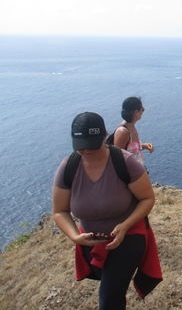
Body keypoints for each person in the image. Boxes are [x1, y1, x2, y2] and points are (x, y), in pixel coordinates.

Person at [52, 112, 162, 310]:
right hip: (91, 241)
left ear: (104, 136)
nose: (87, 150)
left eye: (92, 144)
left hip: (129, 236)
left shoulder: (124, 162)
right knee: (111, 287)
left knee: (110, 297)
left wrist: (125, 225)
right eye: (81, 145)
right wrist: (75, 237)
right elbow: (60, 211)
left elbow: (147, 198)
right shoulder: (69, 167)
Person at [111, 96, 154, 167]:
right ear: (136, 112)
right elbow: (117, 158)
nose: (144, 110)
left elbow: (130, 151)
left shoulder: (131, 126)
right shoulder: (123, 132)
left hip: (138, 172)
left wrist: (143, 146)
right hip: (130, 175)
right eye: (141, 108)